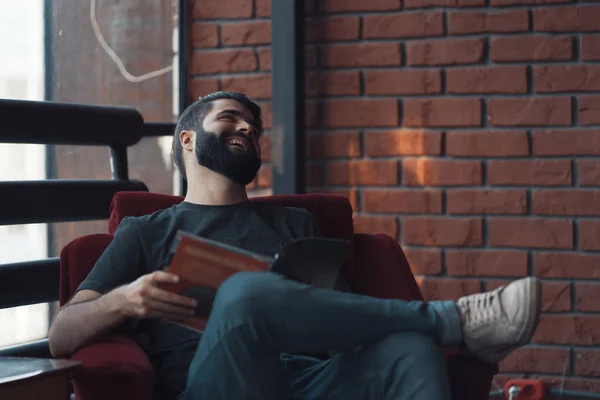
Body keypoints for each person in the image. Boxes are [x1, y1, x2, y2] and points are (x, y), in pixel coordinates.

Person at [48, 91, 542, 400]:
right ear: (188, 140)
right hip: (220, 383)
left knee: (408, 348)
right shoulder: (146, 231)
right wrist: (125, 299)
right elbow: (61, 335)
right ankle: (451, 322)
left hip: (310, 381)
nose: (246, 128)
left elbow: (349, 318)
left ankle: (431, 330)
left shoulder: (294, 223)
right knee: (245, 295)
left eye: (253, 127)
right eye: (229, 118)